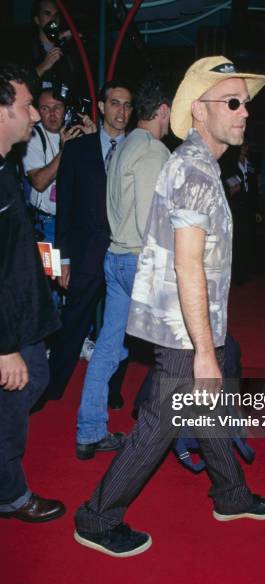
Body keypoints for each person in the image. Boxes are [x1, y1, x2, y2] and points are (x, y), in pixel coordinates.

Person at [74, 56, 265, 558]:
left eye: (246, 103)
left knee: (205, 408)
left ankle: (231, 495)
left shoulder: (200, 165)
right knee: (157, 427)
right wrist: (206, 352)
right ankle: (96, 518)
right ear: (199, 111)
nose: (244, 112)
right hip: (183, 332)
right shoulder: (193, 169)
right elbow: (189, 265)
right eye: (232, 102)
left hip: (190, 326)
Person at [74, 79, 171, 460]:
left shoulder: (125, 145)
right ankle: (163, 435)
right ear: (162, 110)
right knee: (177, 352)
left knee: (107, 350)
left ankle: (90, 432)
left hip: (115, 258)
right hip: (137, 262)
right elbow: (153, 221)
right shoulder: (152, 151)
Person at [43, 81, 133, 412]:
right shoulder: (78, 151)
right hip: (83, 255)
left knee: (119, 327)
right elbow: (64, 209)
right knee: (73, 321)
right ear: (101, 106)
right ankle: (52, 387)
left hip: (125, 253)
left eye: (127, 105)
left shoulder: (138, 150)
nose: (121, 111)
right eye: (115, 103)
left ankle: (111, 390)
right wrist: (62, 260)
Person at [0, 63, 65, 523]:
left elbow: (20, 234)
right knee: (15, 398)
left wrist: (52, 263)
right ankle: (11, 493)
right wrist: (4, 349)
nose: (36, 116)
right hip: (8, 325)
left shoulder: (6, 166)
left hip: (24, 308)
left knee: (37, 379)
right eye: (26, 106)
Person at [23, 87, 95, 245]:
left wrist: (93, 141)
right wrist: (65, 150)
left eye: (57, 107)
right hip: (46, 224)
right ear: (38, 111)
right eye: (45, 108)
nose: (52, 114)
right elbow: (39, 183)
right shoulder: (33, 136)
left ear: (66, 110)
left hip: (75, 222)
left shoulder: (76, 133)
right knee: (48, 270)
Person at [222, 141, 261, 284]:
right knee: (234, 240)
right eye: (242, 145)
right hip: (235, 206)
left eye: (246, 145)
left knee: (247, 240)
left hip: (248, 208)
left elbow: (255, 188)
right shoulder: (229, 164)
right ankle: (233, 274)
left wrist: (257, 209)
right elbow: (225, 184)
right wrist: (231, 190)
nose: (244, 148)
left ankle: (244, 272)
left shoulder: (251, 165)